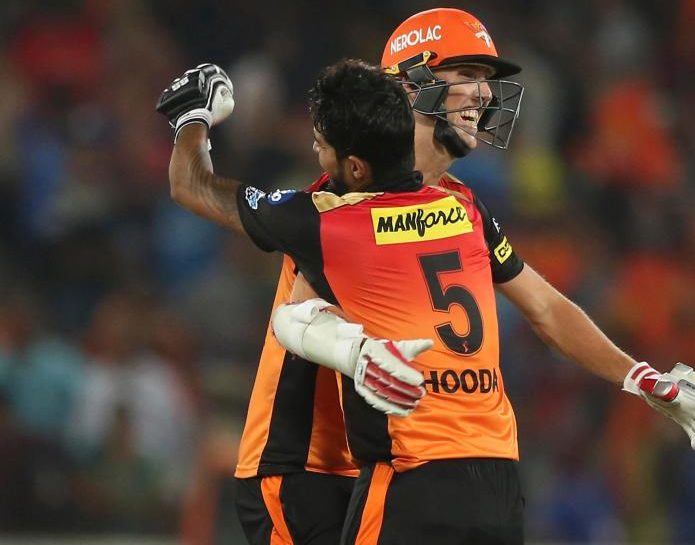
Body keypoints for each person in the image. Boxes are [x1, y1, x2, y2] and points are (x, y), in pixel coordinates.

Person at [161, 59, 527, 542]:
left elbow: (193, 186)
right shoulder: (459, 210)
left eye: (322, 144)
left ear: (354, 166)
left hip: (298, 463)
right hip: (390, 467)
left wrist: (192, 119)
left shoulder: (324, 222)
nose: (315, 150)